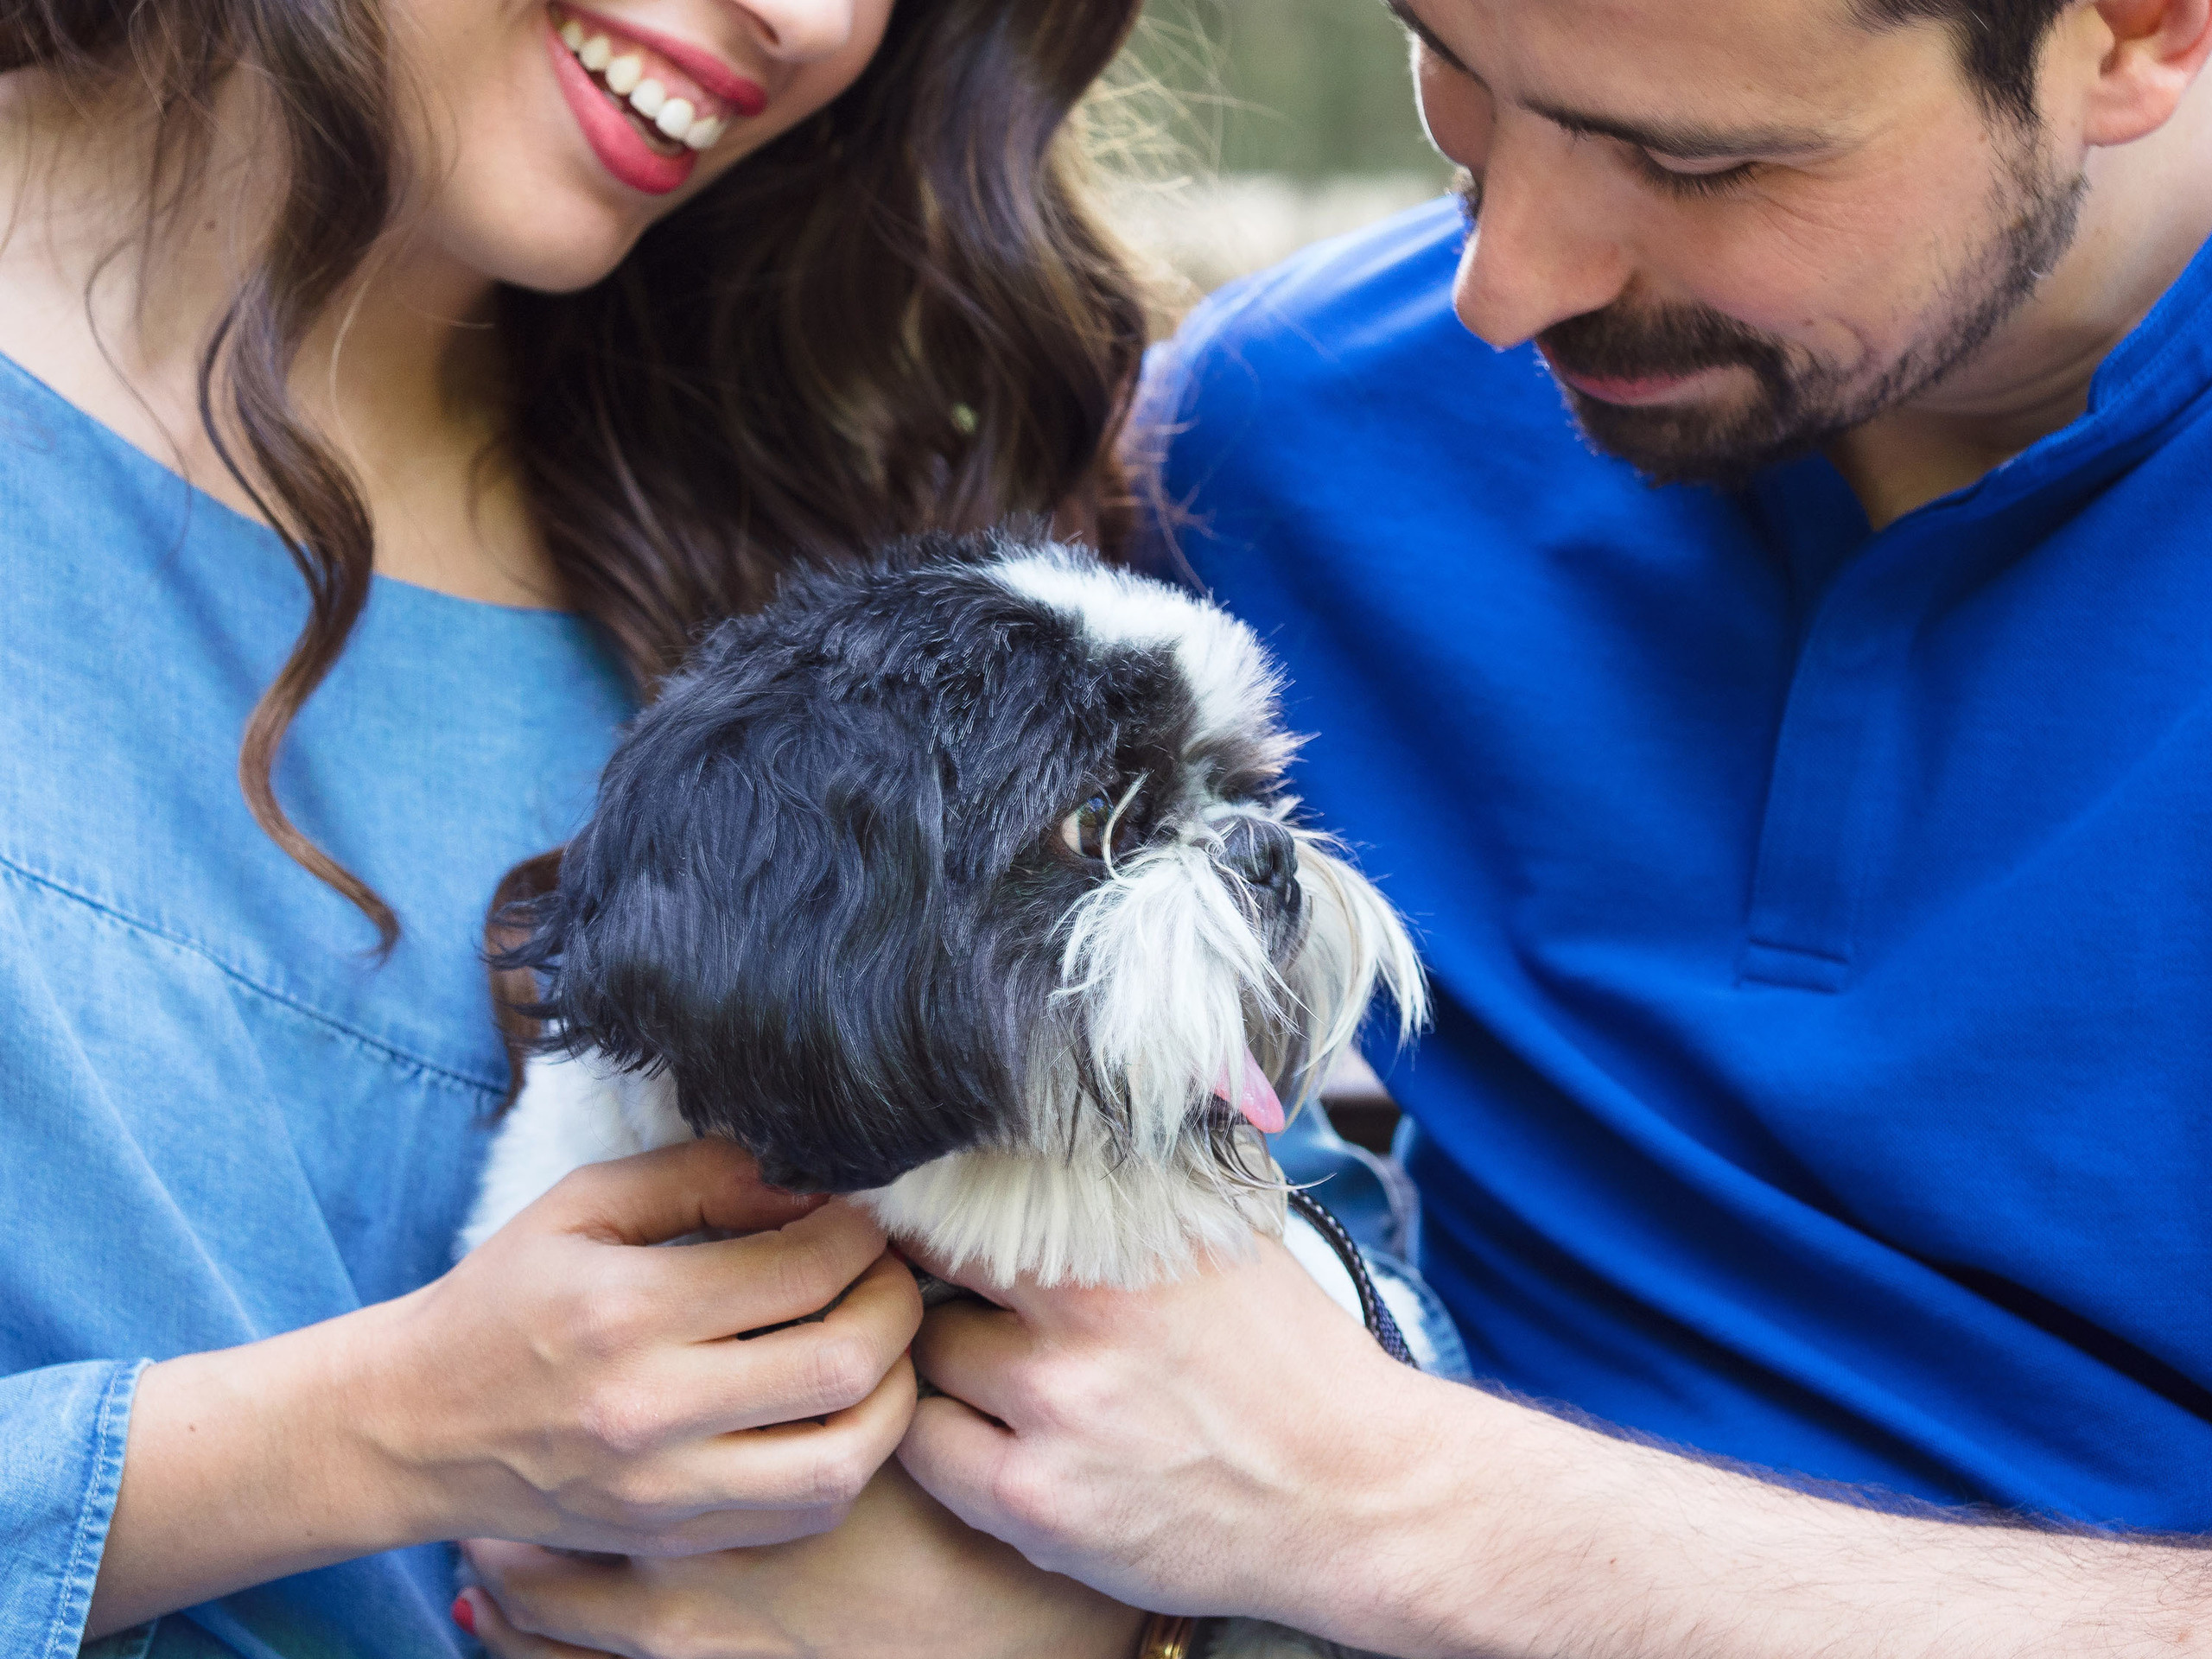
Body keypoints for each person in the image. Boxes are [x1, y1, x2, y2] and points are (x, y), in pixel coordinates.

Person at [892, 0, 2212, 1652]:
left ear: (2140, 32)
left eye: (1698, 161)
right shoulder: (1278, 444)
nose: (1503, 290)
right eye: (1451, 69)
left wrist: (1397, 1506)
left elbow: (1311, 1489)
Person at [0, 1, 1154, 1653]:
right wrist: (362, 1439)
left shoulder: (832, 514)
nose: (813, 20)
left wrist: (1075, 1621)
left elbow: (1331, 1289)